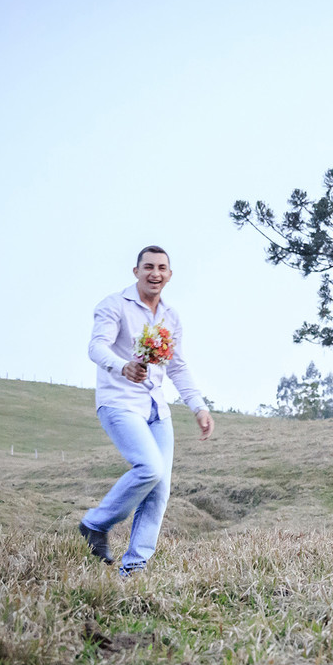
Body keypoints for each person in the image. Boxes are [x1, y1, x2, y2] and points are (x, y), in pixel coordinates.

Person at [78, 245, 214, 576]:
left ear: (169, 275)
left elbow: (177, 367)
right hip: (119, 401)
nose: (155, 273)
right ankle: (95, 524)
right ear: (136, 271)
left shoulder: (171, 316)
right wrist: (122, 366)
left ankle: (134, 567)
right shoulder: (114, 306)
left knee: (160, 488)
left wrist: (198, 406)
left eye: (162, 268)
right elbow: (96, 347)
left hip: (157, 408)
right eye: (148, 267)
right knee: (150, 468)